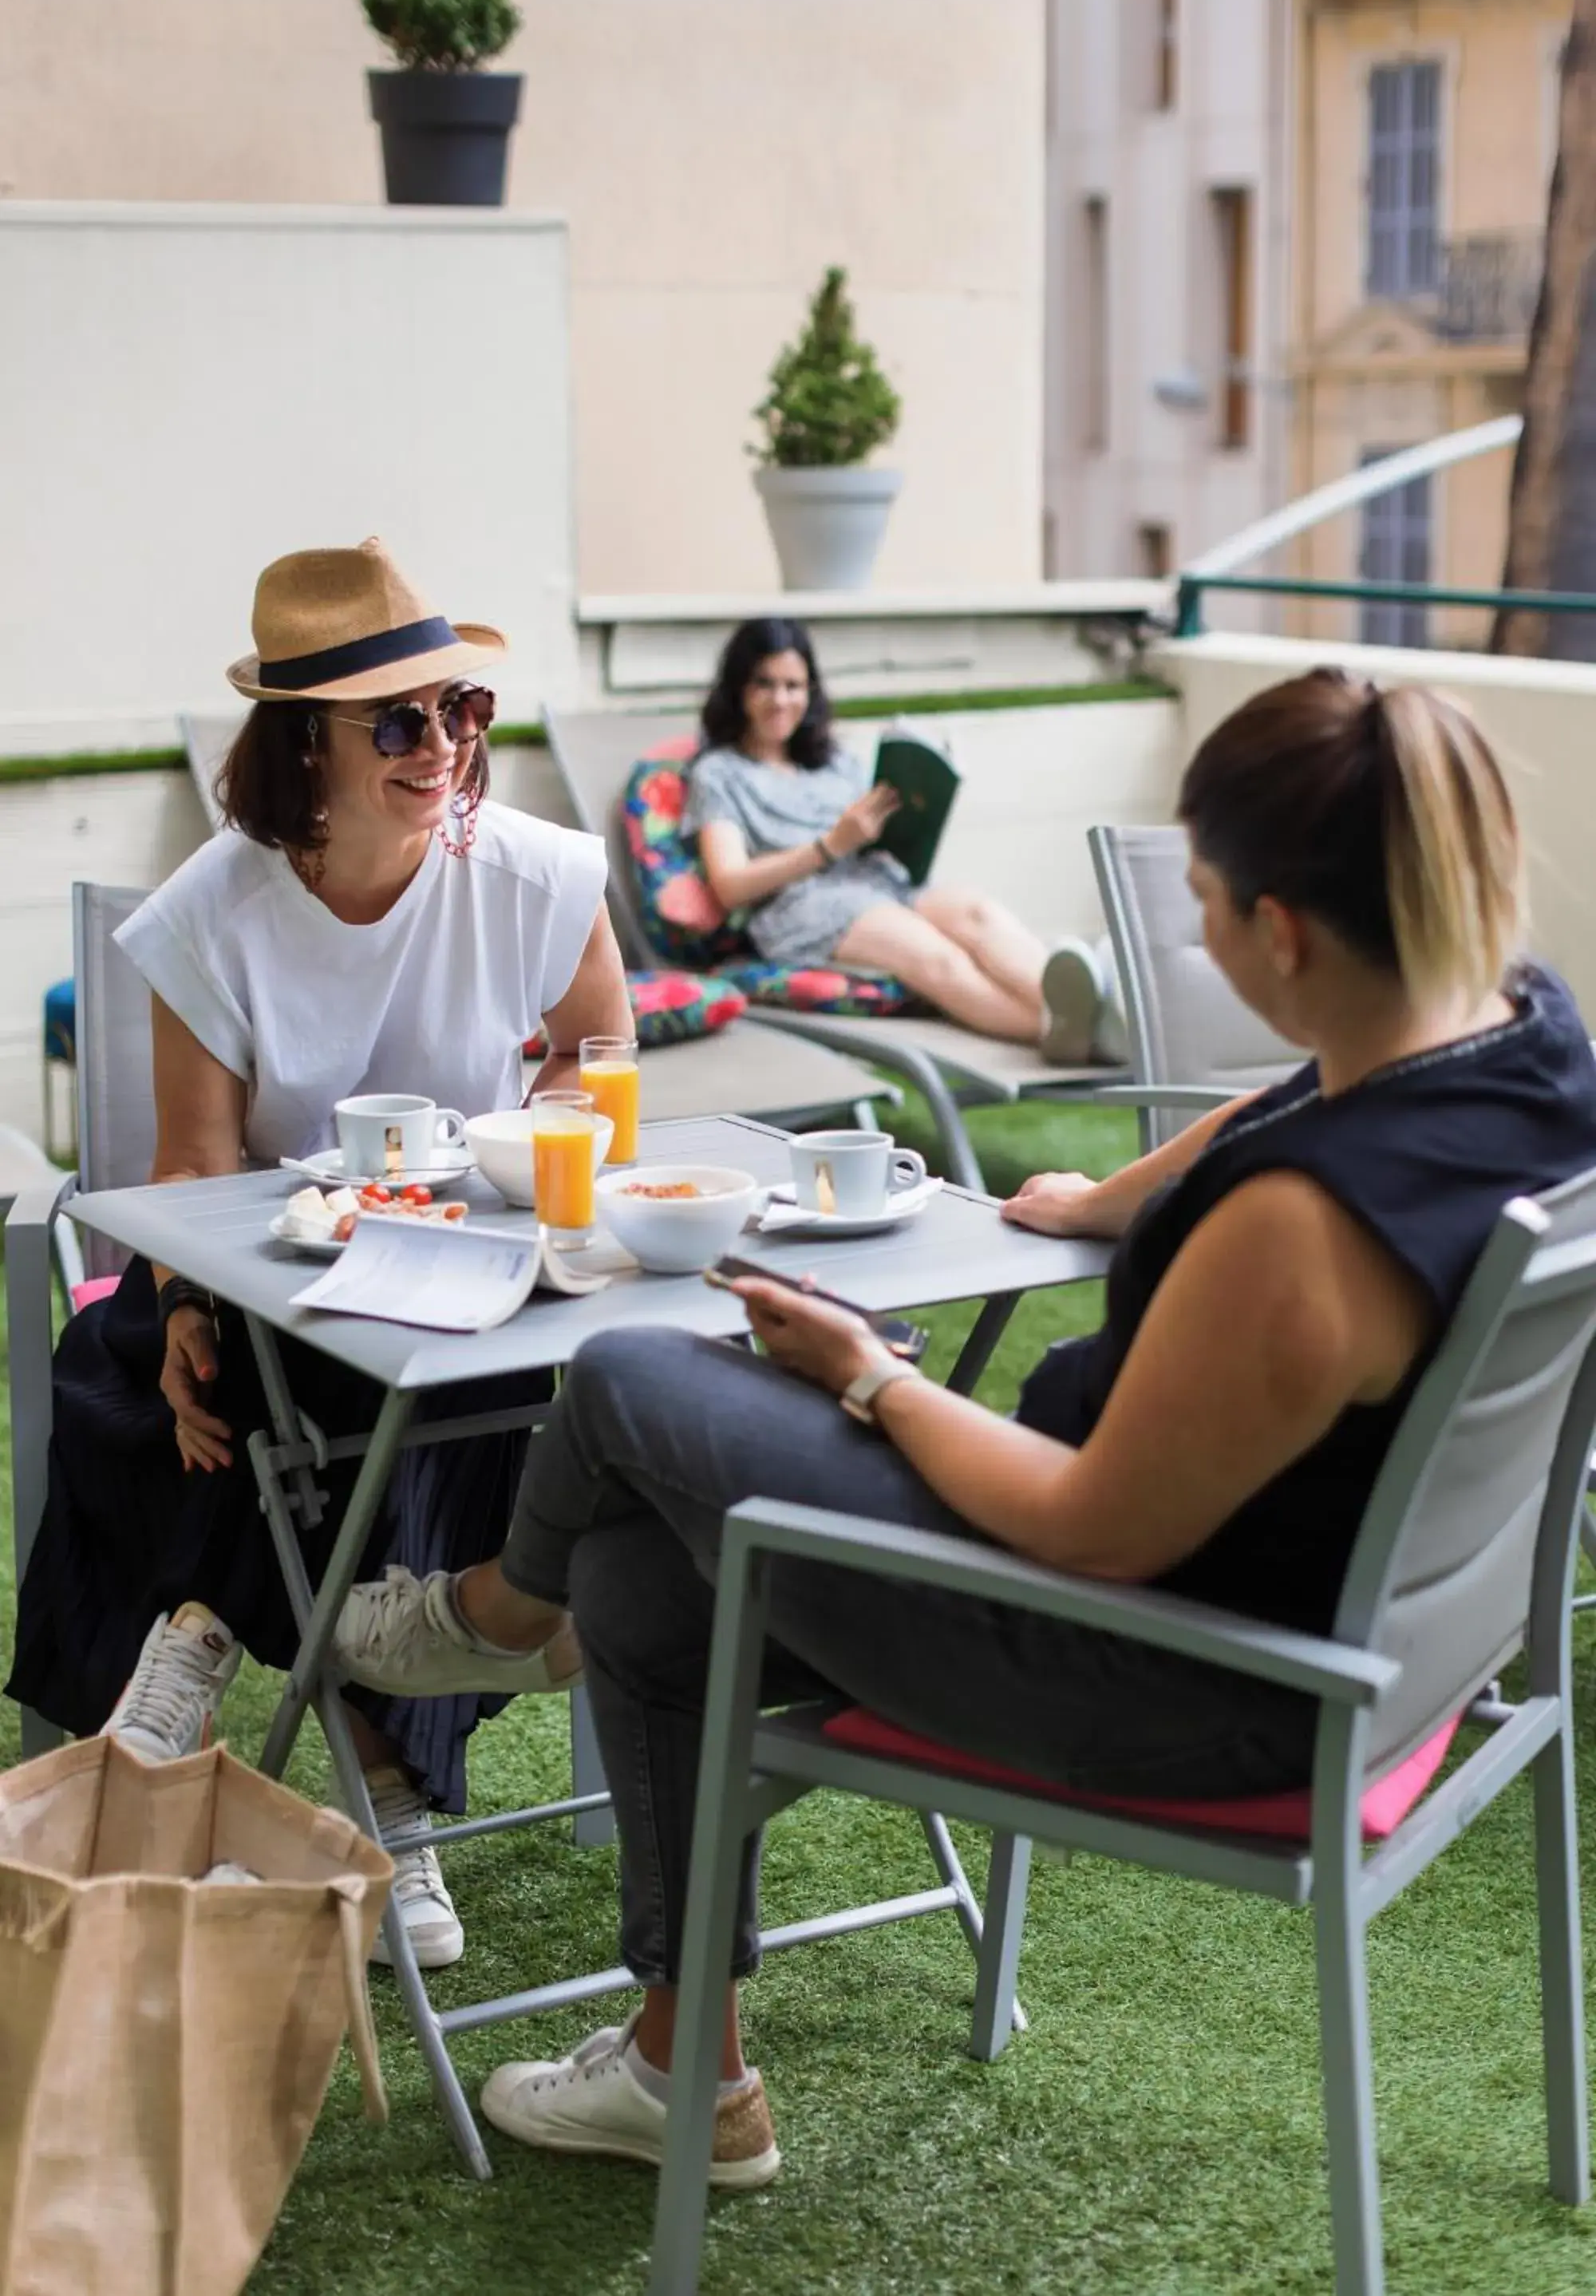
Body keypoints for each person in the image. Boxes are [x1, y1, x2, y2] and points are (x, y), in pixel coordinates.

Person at [327, 665, 1596, 2180]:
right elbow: (1296, 1093)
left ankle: (478, 1619)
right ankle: (684, 2071)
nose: (1193, 926)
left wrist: (870, 1378)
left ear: (1282, 931)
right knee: (650, 1587)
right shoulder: (1521, 1035)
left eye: (1204, 899)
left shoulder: (1299, 1242)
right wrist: (1115, 1195)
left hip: (1164, 1669)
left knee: (630, 1375)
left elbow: (1089, 1524)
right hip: (1380, 1649)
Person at [5, 538, 629, 1969]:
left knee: (418, 1385)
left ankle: (204, 1636)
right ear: (304, 747)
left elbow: (600, 1052)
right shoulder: (213, 913)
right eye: (401, 722)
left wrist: (534, 1140)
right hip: (276, 1276)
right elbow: (195, 1167)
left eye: (462, 710)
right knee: (264, 1368)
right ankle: (391, 1793)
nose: (447, 747)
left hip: (464, 1274)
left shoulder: (531, 872)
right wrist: (175, 1302)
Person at [681, 616, 1107, 1061]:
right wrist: (829, 846)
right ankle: (1079, 1037)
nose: (781, 700)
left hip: (878, 878)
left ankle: (1095, 1009)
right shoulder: (719, 774)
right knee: (938, 958)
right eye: (765, 685)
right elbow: (729, 885)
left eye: (794, 686)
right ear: (738, 689)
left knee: (980, 915)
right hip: (802, 906)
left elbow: (869, 840)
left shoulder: (833, 762)